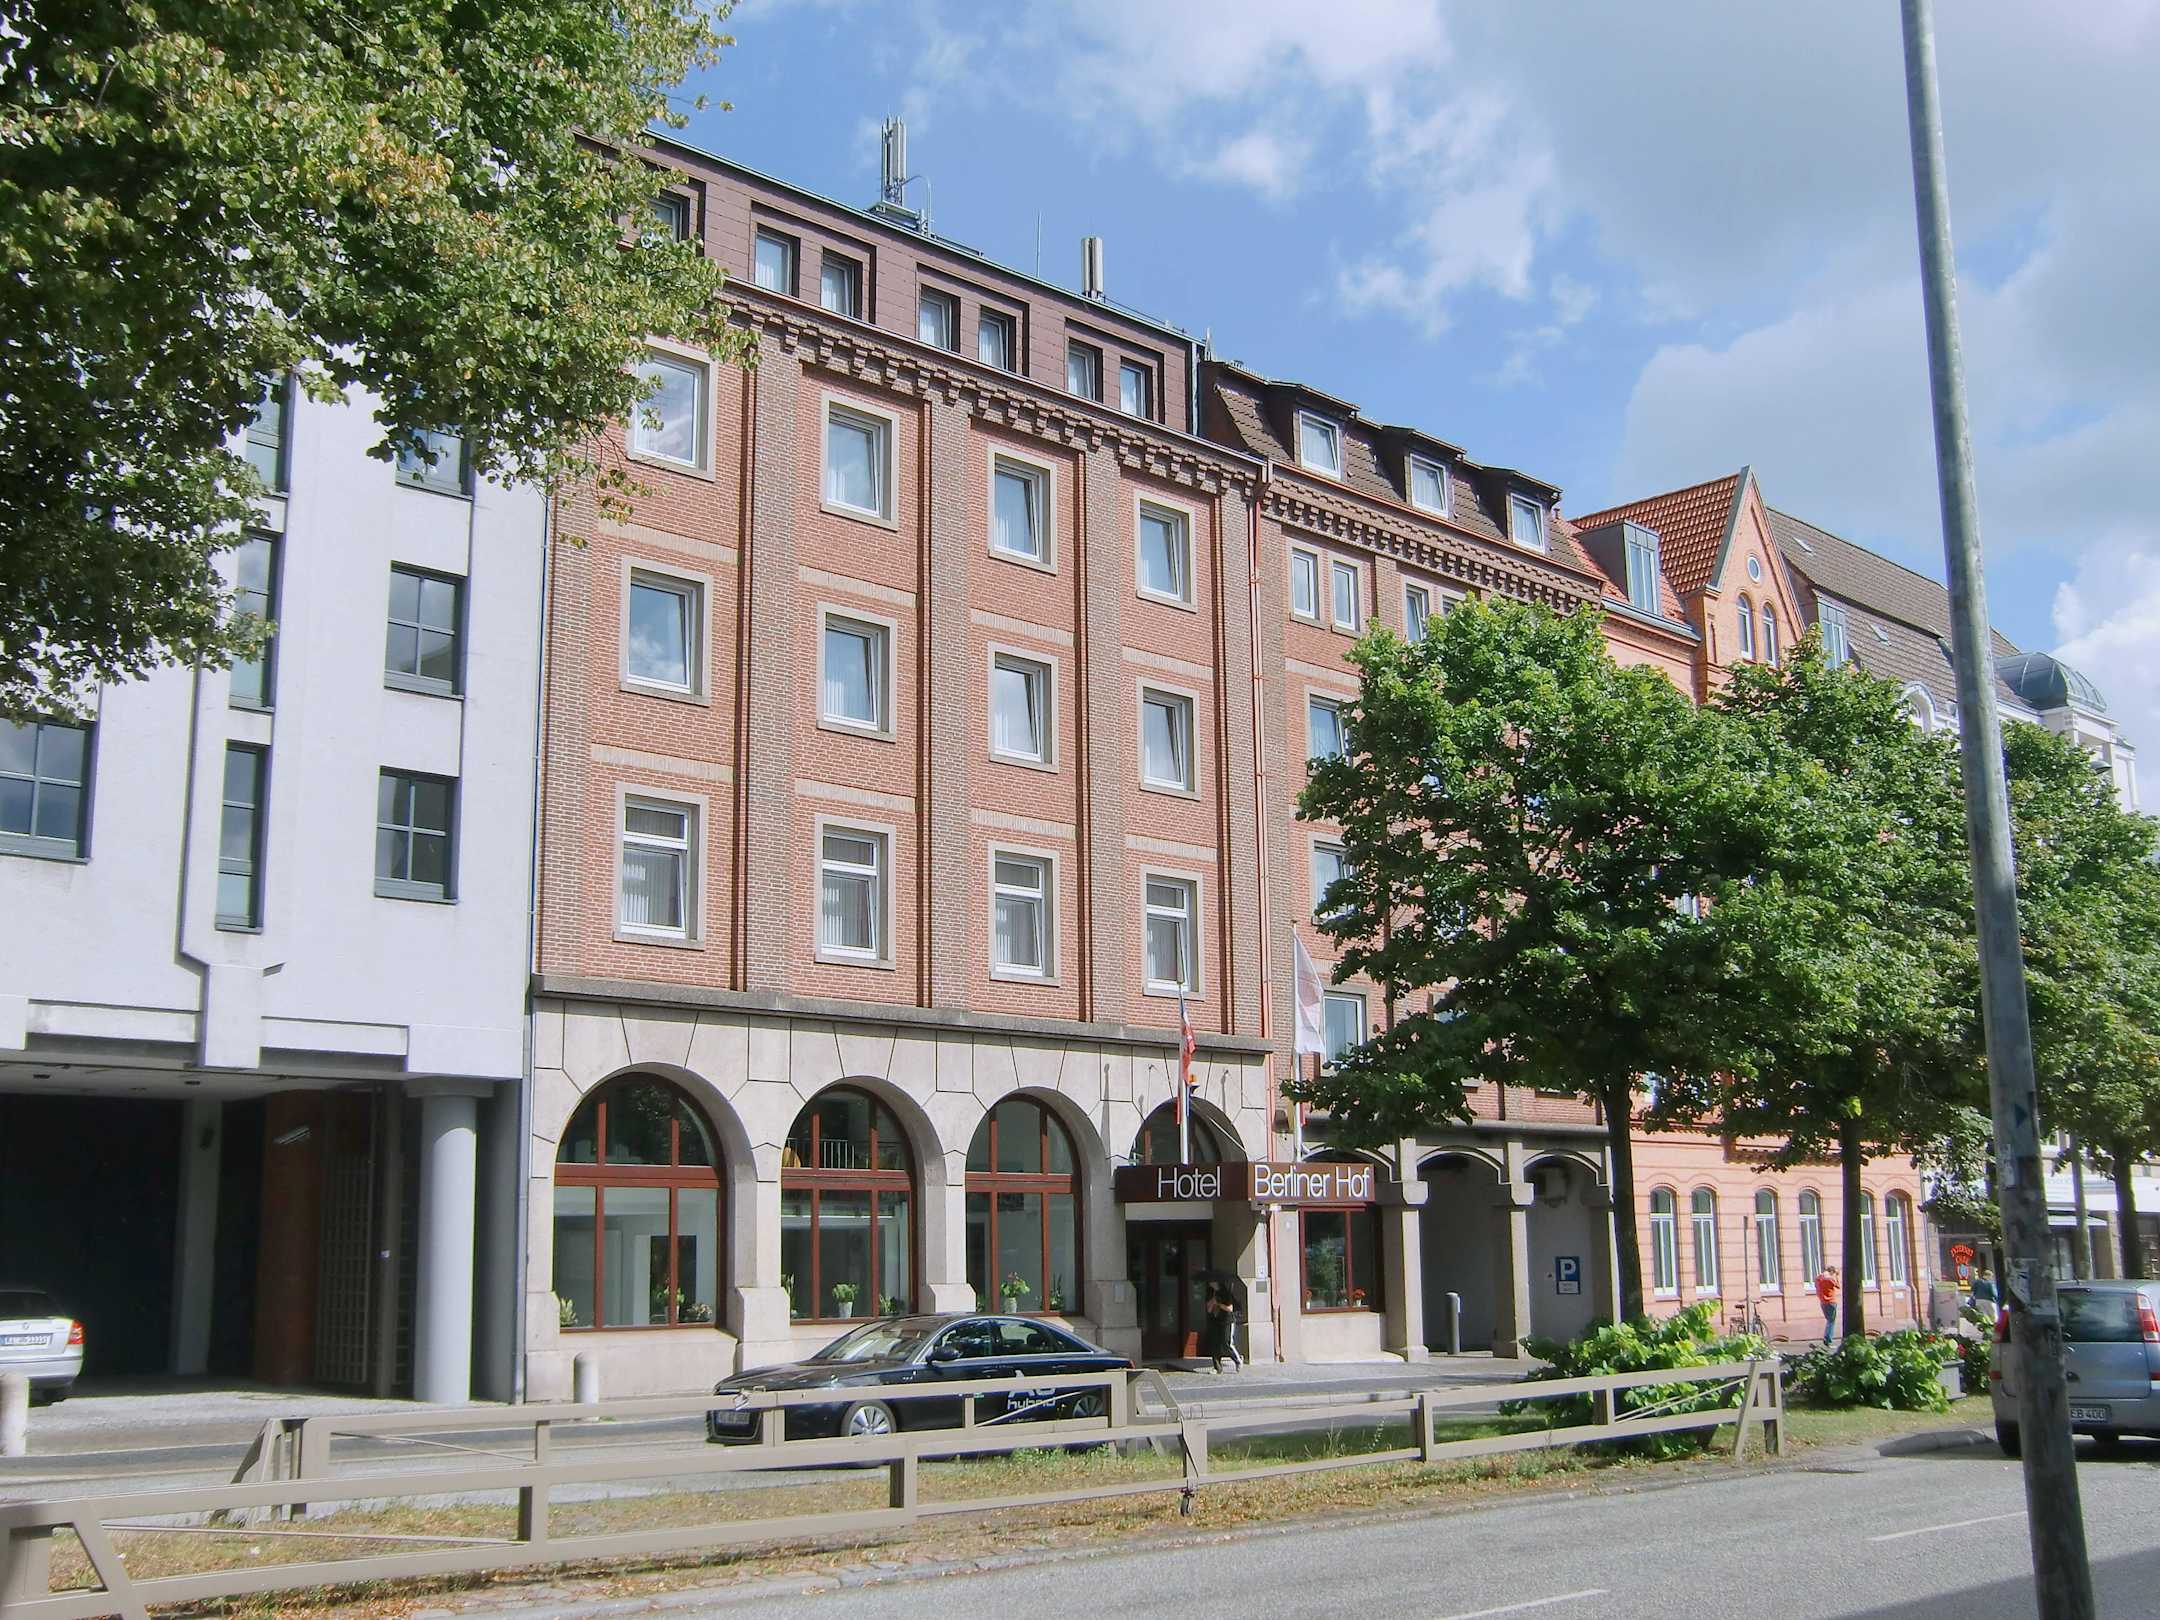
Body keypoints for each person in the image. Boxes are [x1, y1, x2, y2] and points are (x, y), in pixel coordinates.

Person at [1203, 1282, 1243, 1373]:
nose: (1210, 1283)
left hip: (1227, 1321)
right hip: (1215, 1321)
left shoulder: (1226, 1293)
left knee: (1226, 1343)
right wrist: (1212, 1302)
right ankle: (1217, 1368)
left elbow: (1230, 1308)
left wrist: (1218, 1304)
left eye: (1212, 1281)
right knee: (1215, 1344)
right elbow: (1209, 1310)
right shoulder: (1210, 1293)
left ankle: (1237, 1360)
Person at [1815, 1264, 1840, 1344]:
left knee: (1829, 1320)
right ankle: (1828, 1339)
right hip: (1831, 1302)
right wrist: (1836, 1276)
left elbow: (1816, 1285)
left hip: (1823, 1302)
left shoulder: (1819, 1278)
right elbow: (1838, 1286)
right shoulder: (1830, 1279)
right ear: (1831, 1271)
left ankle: (1827, 1337)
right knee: (1831, 1321)